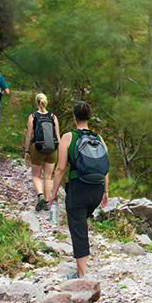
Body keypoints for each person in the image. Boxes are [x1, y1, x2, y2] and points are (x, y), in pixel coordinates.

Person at [49, 101, 110, 278]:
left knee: (78, 227)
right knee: (83, 221)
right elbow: (105, 166)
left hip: (78, 188)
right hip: (97, 189)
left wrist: (53, 193)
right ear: (89, 117)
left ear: (74, 117)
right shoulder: (99, 138)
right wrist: (106, 192)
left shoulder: (68, 137)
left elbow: (60, 168)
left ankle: (81, 274)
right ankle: (84, 263)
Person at [23, 93, 60, 211]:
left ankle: (40, 196)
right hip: (52, 149)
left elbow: (29, 135)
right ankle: (47, 203)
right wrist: (58, 151)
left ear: (36, 102)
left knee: (36, 175)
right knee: (48, 176)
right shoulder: (53, 117)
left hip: (38, 148)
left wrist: (27, 150)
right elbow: (58, 137)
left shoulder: (33, 116)